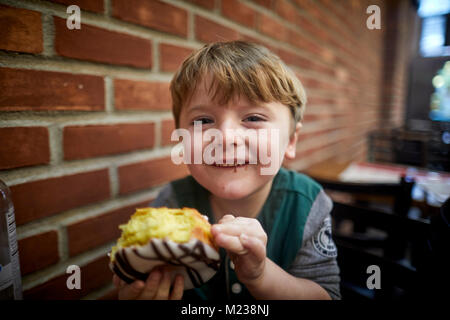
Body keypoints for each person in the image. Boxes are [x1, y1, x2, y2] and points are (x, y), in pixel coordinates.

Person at [112, 41, 341, 300]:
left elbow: (327, 296)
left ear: (290, 141)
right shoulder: (170, 205)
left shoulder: (308, 204)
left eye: (253, 118)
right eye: (203, 121)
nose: (225, 136)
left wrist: (261, 276)